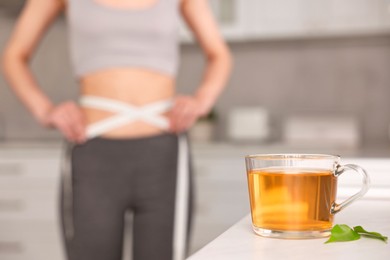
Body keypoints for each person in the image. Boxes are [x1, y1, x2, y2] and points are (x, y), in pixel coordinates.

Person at [1, 0, 232, 260]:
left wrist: (202, 99)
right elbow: (14, 56)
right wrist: (44, 110)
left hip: (163, 156)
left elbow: (219, 54)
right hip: (93, 154)